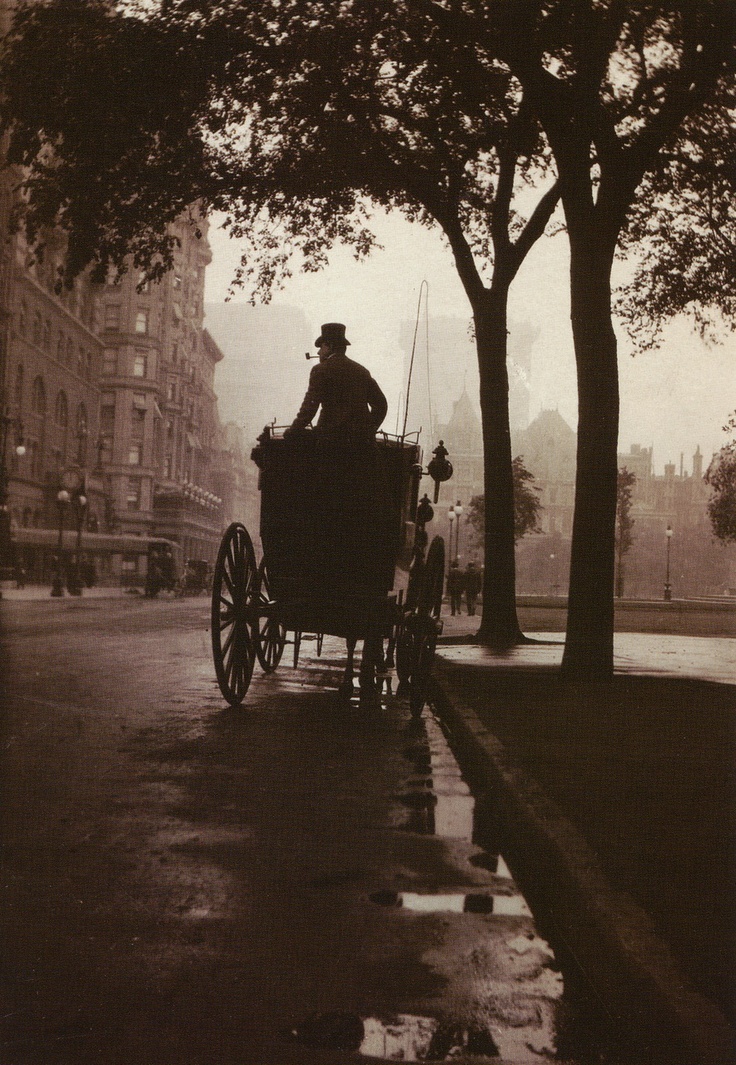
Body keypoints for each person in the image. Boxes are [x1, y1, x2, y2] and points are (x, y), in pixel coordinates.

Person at [285, 322, 387, 439]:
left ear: (330, 346)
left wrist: (293, 430)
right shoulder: (362, 371)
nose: (318, 352)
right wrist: (368, 430)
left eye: (321, 347)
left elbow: (309, 408)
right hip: (362, 445)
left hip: (331, 443)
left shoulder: (320, 370)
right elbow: (381, 405)